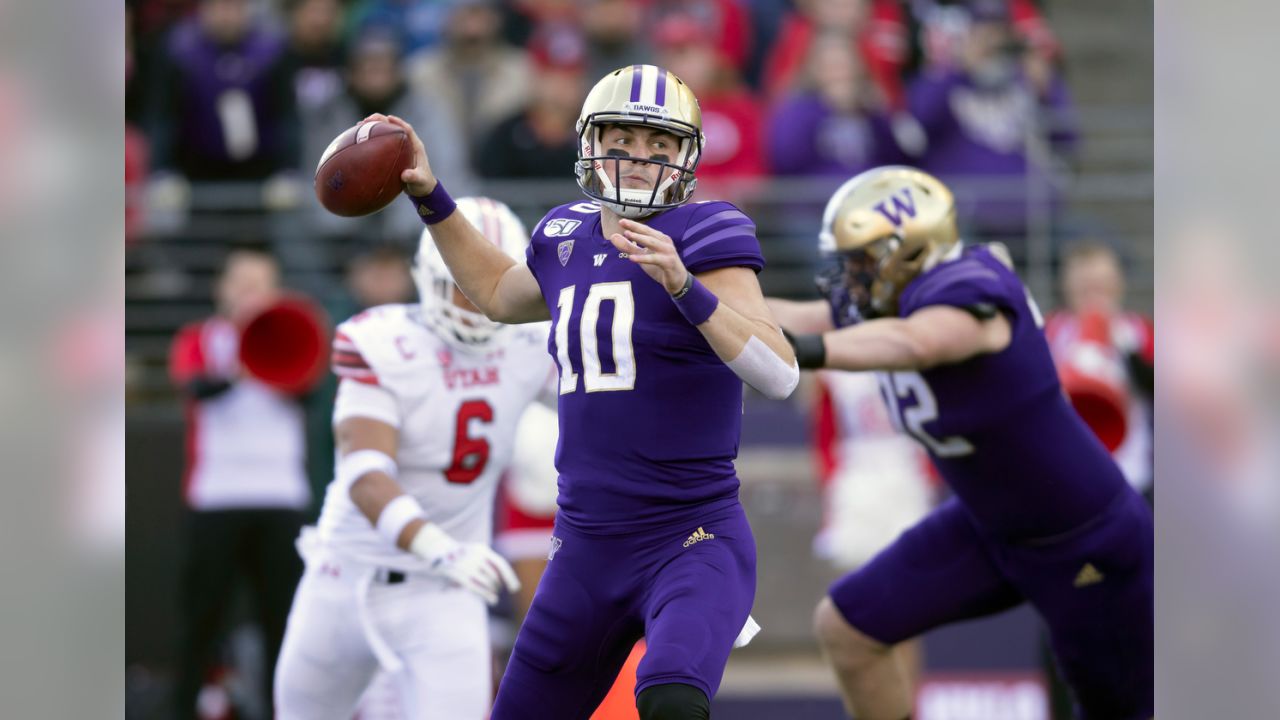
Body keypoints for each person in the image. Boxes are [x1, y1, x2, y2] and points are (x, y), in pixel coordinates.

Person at [365, 62, 800, 719]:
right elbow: (496, 294)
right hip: (585, 548)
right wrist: (430, 197)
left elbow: (779, 372)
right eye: (623, 138)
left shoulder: (709, 231)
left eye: (660, 145)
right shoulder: (564, 234)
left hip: (691, 537)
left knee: (673, 702)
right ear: (591, 143)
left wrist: (686, 287)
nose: (640, 157)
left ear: (688, 157)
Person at [770, 166, 1153, 720]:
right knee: (848, 629)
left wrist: (801, 350)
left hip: (1083, 539)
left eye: (860, 260)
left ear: (908, 253)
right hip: (990, 526)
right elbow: (792, 314)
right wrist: (695, 296)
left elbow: (918, 340)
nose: (849, 276)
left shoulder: (970, 285)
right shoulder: (893, 296)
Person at [273, 197, 557, 719]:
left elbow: (612, 400)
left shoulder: (532, 345)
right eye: (463, 284)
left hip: (444, 592)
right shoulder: (382, 341)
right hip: (349, 574)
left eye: (490, 279)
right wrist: (441, 548)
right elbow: (365, 475)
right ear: (429, 277)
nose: (476, 298)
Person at [168, 248, 310, 719]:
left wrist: (269, 343)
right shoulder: (200, 338)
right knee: (201, 622)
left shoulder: (293, 332)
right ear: (221, 289)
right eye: (241, 283)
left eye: (261, 283)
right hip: (217, 498)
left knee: (282, 623)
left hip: (281, 497)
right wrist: (245, 361)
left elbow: (309, 389)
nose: (250, 294)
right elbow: (195, 387)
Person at [1045, 241, 1153, 498]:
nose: (1093, 294)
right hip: (1067, 471)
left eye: (1101, 285)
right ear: (1067, 286)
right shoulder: (1050, 330)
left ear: (1118, 283)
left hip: (1132, 470)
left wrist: (1128, 351)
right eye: (1085, 286)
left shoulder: (1139, 331)